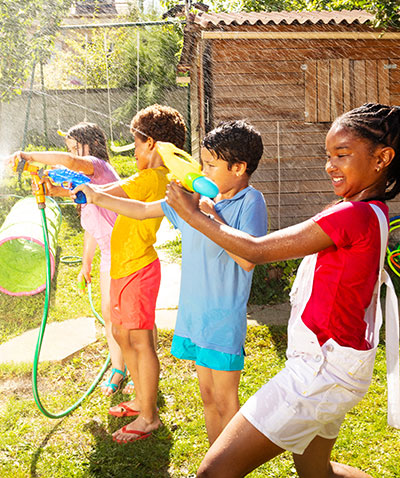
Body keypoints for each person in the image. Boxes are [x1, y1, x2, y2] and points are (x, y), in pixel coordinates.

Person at [164, 103, 400, 478]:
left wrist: (195, 214)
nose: (330, 165)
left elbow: (256, 250)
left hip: (320, 371)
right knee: (316, 473)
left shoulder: (351, 215)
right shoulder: (372, 211)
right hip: (341, 367)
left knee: (214, 473)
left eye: (342, 155)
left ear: (382, 158)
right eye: (328, 155)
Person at [72, 119, 268, 445]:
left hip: (222, 322)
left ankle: (231, 464)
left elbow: (248, 257)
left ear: (239, 168)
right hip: (195, 317)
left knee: (225, 402)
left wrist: (207, 216)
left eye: (211, 165)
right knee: (207, 398)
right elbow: (142, 210)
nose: (203, 172)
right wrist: (97, 197)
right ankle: (214, 463)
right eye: (202, 163)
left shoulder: (249, 202)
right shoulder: (195, 199)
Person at [78, 104, 186, 444]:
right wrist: (77, 190)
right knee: (125, 337)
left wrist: (86, 191)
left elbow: (110, 194)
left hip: (138, 268)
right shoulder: (149, 177)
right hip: (125, 267)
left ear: (152, 144)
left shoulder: (151, 177)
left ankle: (149, 416)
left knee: (139, 341)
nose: (135, 150)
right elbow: (103, 195)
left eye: (137, 143)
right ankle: (141, 400)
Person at [10, 122, 127, 397]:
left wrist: (29, 156)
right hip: (110, 254)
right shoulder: (85, 186)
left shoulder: (98, 166)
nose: (73, 154)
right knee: (109, 315)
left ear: (93, 146)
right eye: (70, 148)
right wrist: (86, 263)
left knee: (133, 318)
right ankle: (119, 368)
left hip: (128, 251)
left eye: (76, 148)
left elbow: (70, 162)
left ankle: (141, 366)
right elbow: (91, 228)